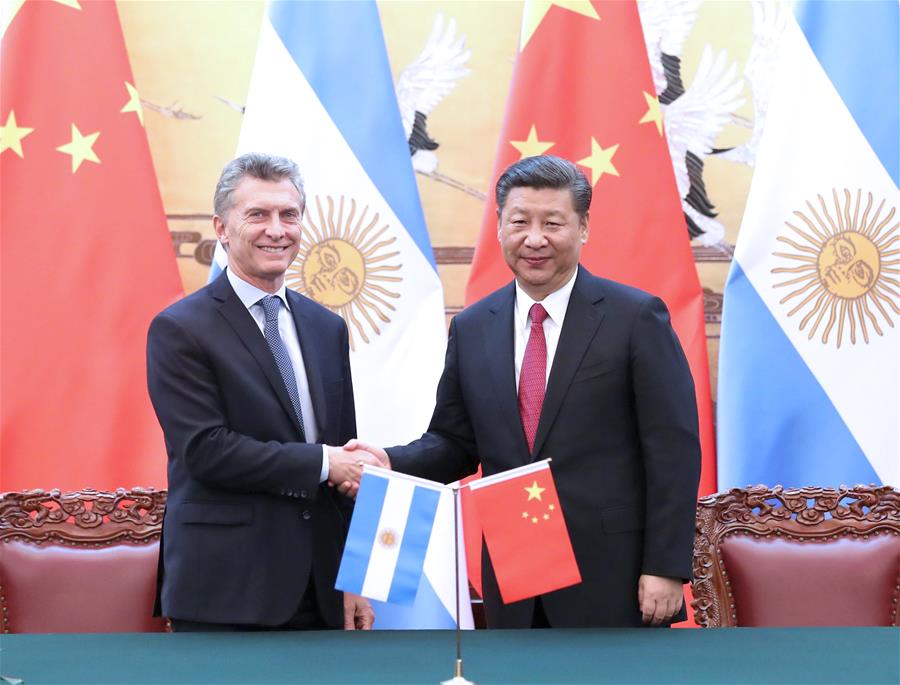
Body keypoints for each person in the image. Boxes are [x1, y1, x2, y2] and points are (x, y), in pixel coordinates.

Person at [349, 155, 701, 628]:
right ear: (499, 226)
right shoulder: (473, 327)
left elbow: (672, 450)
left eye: (552, 223)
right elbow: (455, 443)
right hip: (515, 573)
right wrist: (389, 462)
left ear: (583, 228)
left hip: (614, 575)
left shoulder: (635, 318)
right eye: (520, 222)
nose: (535, 239)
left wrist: (665, 566)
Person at [147, 152, 381, 632]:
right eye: (258, 214)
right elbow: (206, 451)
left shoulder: (326, 327)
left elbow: (343, 463)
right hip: (227, 589)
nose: (277, 230)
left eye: (288, 215)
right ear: (222, 228)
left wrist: (354, 575)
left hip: (321, 588)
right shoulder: (180, 329)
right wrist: (324, 462)